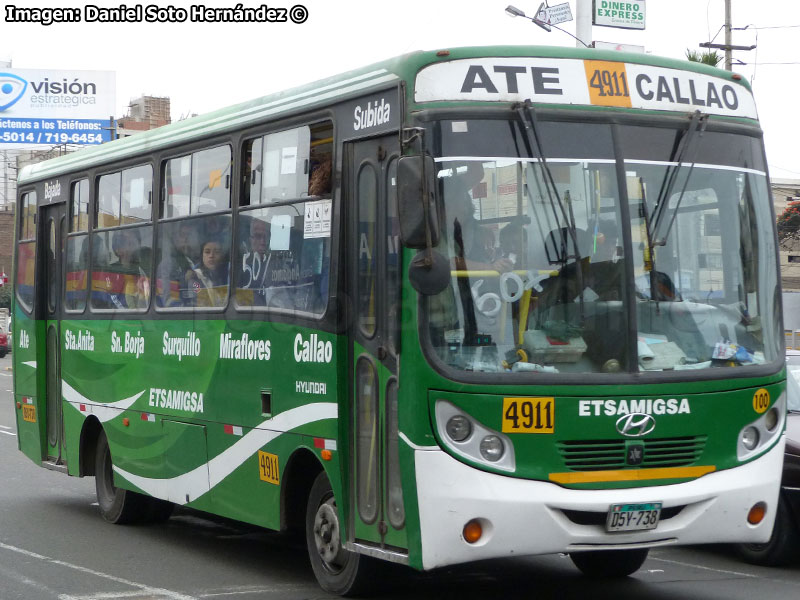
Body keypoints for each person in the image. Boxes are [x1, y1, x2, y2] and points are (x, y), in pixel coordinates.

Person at [156, 221, 199, 307]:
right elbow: (167, 299)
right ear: (176, 240)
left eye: (190, 235)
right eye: (183, 235)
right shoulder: (167, 264)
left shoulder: (200, 262)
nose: (186, 239)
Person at [188, 239, 229, 307]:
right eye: (207, 252)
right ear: (202, 256)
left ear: (222, 256)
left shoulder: (230, 275)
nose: (211, 256)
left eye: (217, 252)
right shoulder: (195, 277)